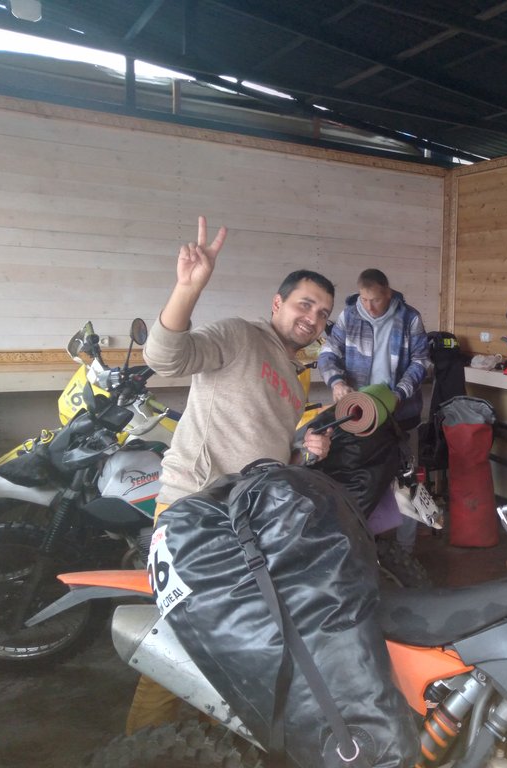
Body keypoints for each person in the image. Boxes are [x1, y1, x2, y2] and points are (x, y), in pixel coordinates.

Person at [127, 215, 335, 734]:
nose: (312, 318)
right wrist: (188, 288)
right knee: (181, 632)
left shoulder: (294, 377)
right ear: (277, 304)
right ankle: (141, 747)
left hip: (244, 519)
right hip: (193, 508)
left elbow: (268, 455)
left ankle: (212, 733)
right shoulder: (239, 335)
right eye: (305, 304)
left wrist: (304, 453)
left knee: (234, 632)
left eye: (323, 313)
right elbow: (165, 357)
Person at [317, 268, 430, 551]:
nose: (369, 306)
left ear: (388, 293)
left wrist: (398, 394)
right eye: (364, 299)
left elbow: (421, 362)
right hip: (359, 416)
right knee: (363, 480)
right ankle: (365, 546)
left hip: (401, 416)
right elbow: (328, 353)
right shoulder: (349, 316)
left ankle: (406, 550)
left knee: (407, 481)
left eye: (376, 300)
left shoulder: (409, 318)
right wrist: (337, 382)